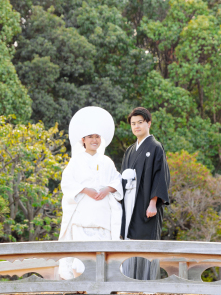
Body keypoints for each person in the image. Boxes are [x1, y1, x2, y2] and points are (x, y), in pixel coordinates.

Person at [58, 106, 123, 279]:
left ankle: (103, 283)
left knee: (102, 249)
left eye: (97, 136)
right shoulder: (76, 161)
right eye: (90, 137)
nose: (94, 140)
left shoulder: (107, 161)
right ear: (83, 140)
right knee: (82, 250)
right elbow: (67, 183)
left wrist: (107, 189)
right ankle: (81, 282)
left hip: (103, 214)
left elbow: (117, 180)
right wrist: (85, 190)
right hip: (83, 214)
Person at [120, 107, 170, 280]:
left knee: (145, 241)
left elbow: (160, 176)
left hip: (147, 204)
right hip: (129, 201)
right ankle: (129, 281)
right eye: (133, 124)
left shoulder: (155, 147)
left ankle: (146, 284)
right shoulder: (130, 150)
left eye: (140, 122)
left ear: (148, 123)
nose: (136, 126)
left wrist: (153, 203)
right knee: (129, 239)